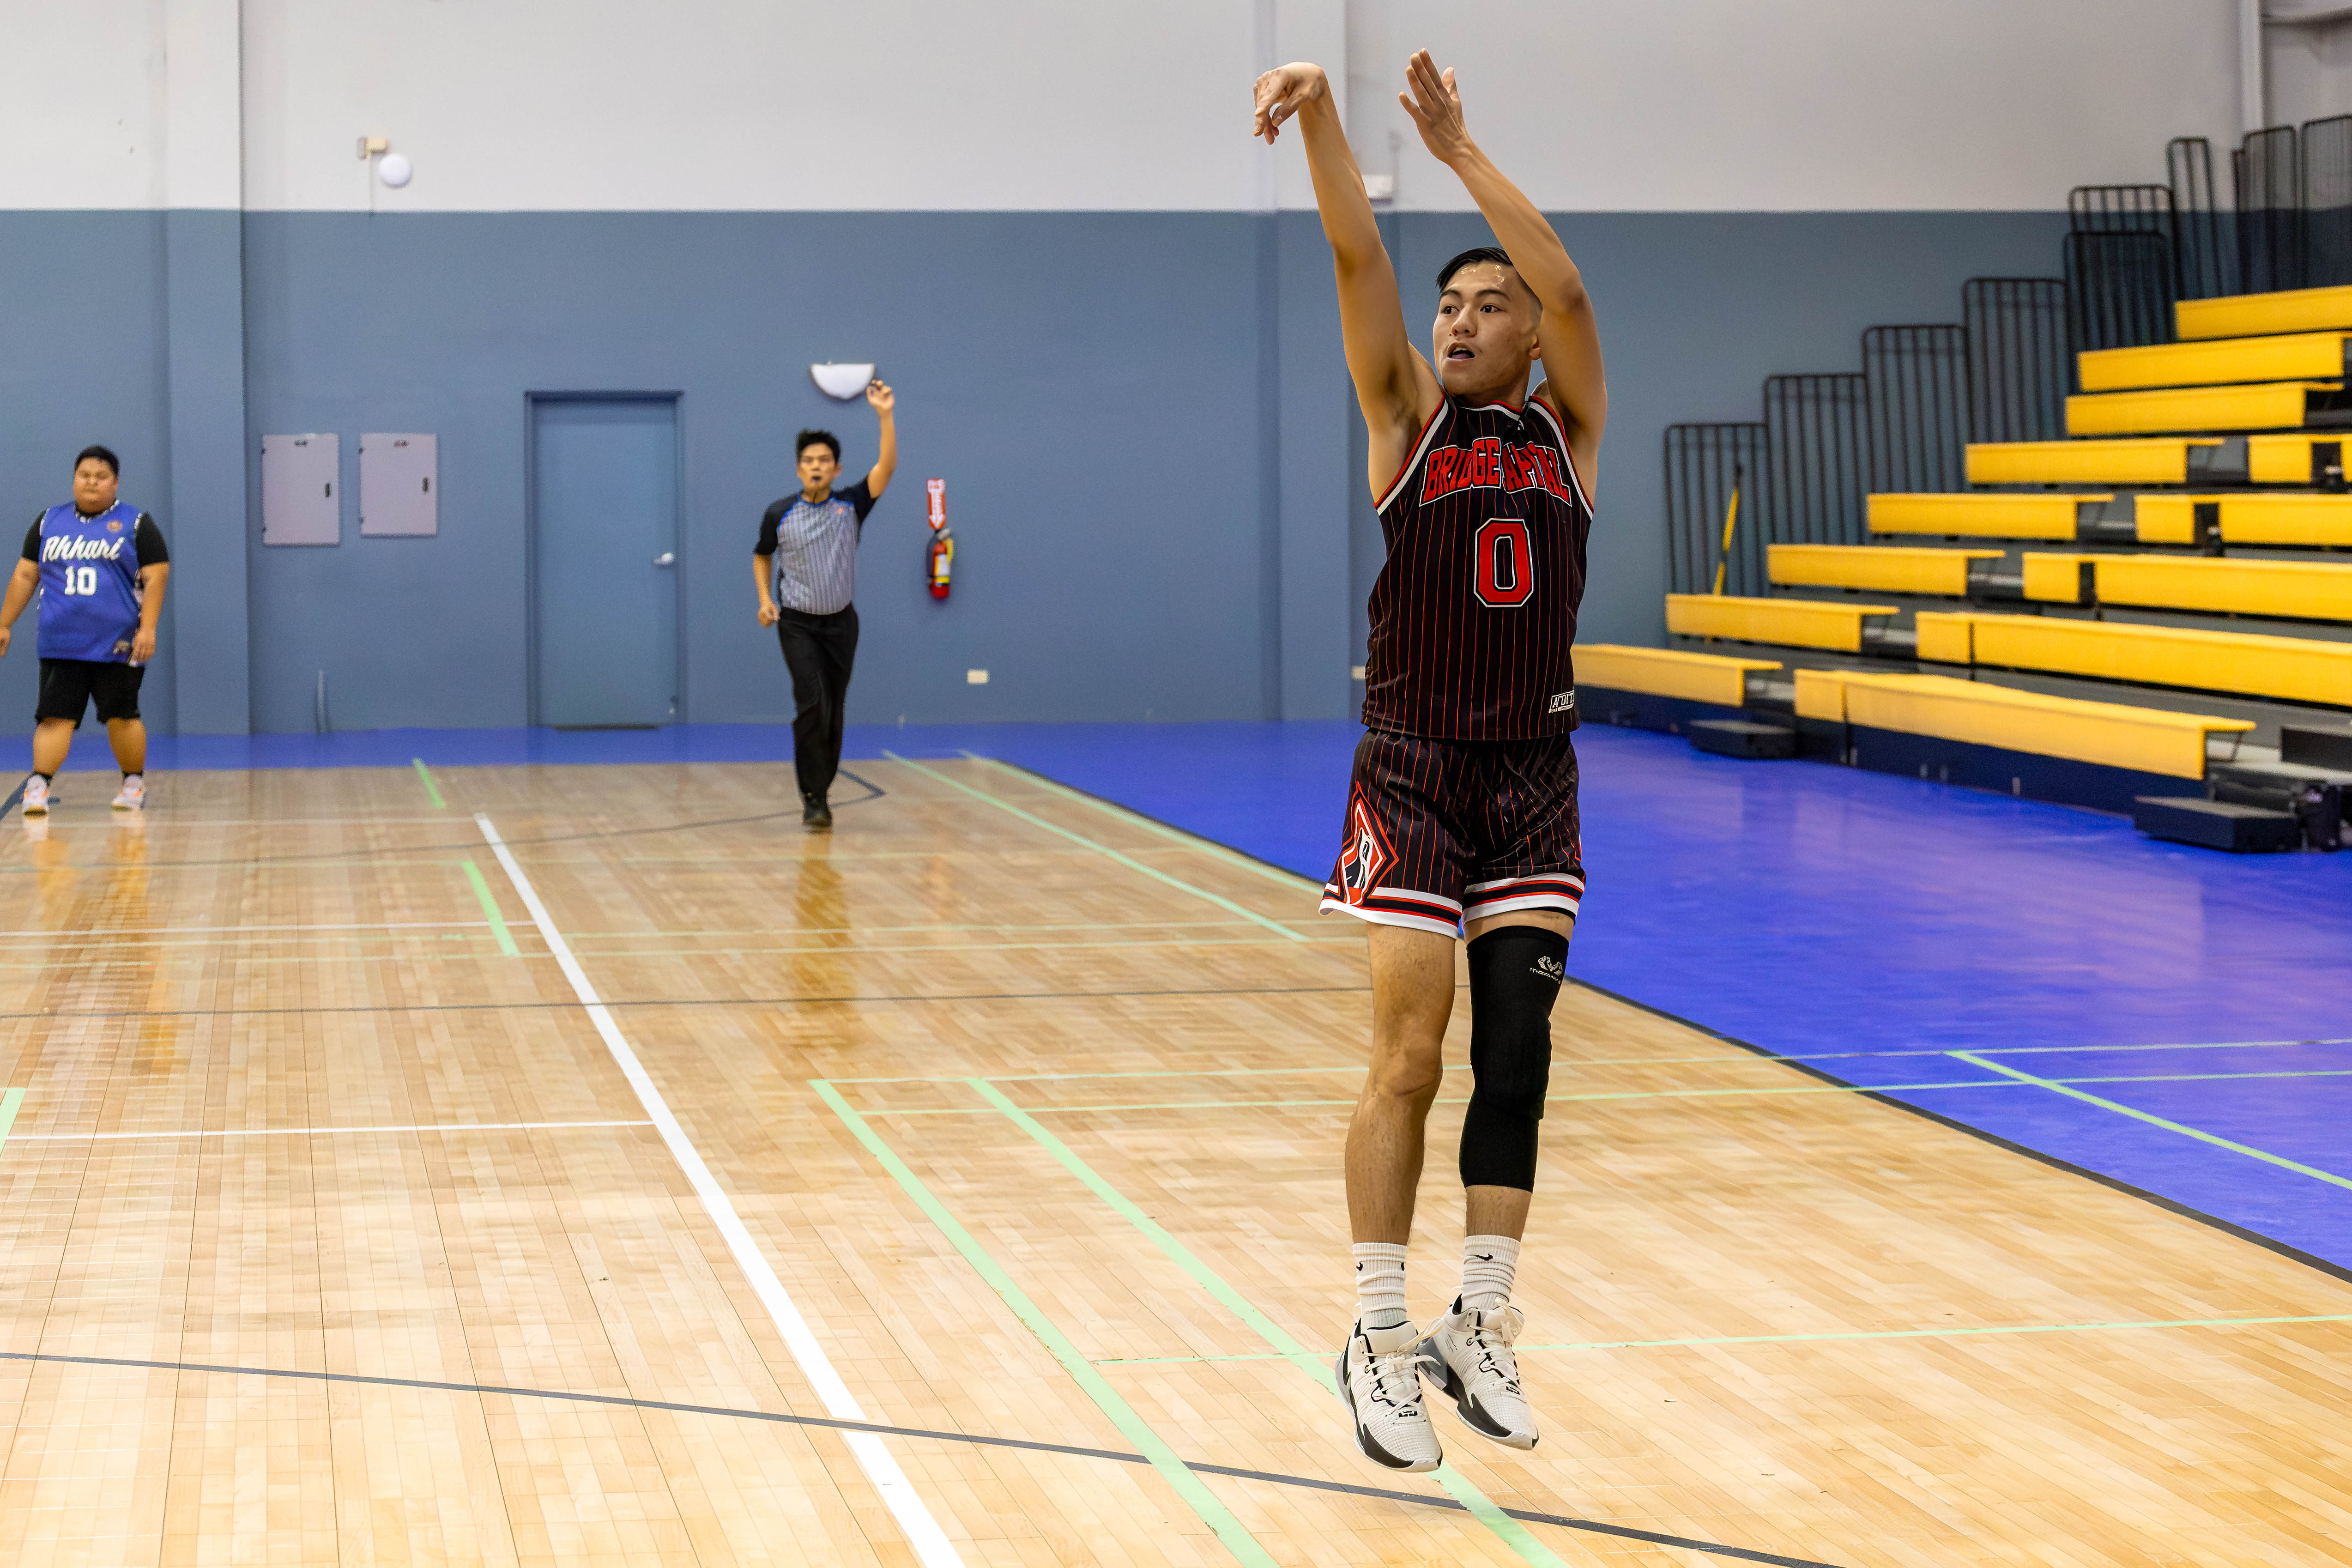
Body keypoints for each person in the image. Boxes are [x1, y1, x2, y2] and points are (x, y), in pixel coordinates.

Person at [1254, 52, 1605, 1473]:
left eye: (1482, 305)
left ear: (1525, 336)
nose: (1457, 321)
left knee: (1513, 1055)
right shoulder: (1405, 427)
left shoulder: (1565, 434)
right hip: (1410, 770)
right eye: (1446, 306)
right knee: (1408, 1054)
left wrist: (1460, 154)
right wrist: (1330, 122)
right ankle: (1375, 1333)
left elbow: (1573, 296)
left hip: (1531, 771)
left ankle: (1481, 1319)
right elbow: (1353, 257)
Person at [755, 379, 897, 830]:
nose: (815, 466)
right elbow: (761, 555)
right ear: (799, 469)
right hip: (797, 624)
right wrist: (764, 600)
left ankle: (823, 785)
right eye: (808, 461)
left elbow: (887, 468)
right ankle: (813, 797)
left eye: (823, 461)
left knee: (834, 709)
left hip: (841, 625)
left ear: (836, 469)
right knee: (811, 700)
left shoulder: (851, 505)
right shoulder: (779, 513)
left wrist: (884, 415)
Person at [0, 445, 172, 815]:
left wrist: (149, 628)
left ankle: (133, 782)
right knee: (54, 715)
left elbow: (156, 577)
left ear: (115, 482)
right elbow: (26, 574)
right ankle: (38, 784)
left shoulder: (136, 523)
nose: (92, 483)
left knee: (122, 715)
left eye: (101, 477)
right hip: (62, 642)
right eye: (85, 476)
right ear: (75, 479)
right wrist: (5, 622)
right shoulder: (49, 521)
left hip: (119, 642)